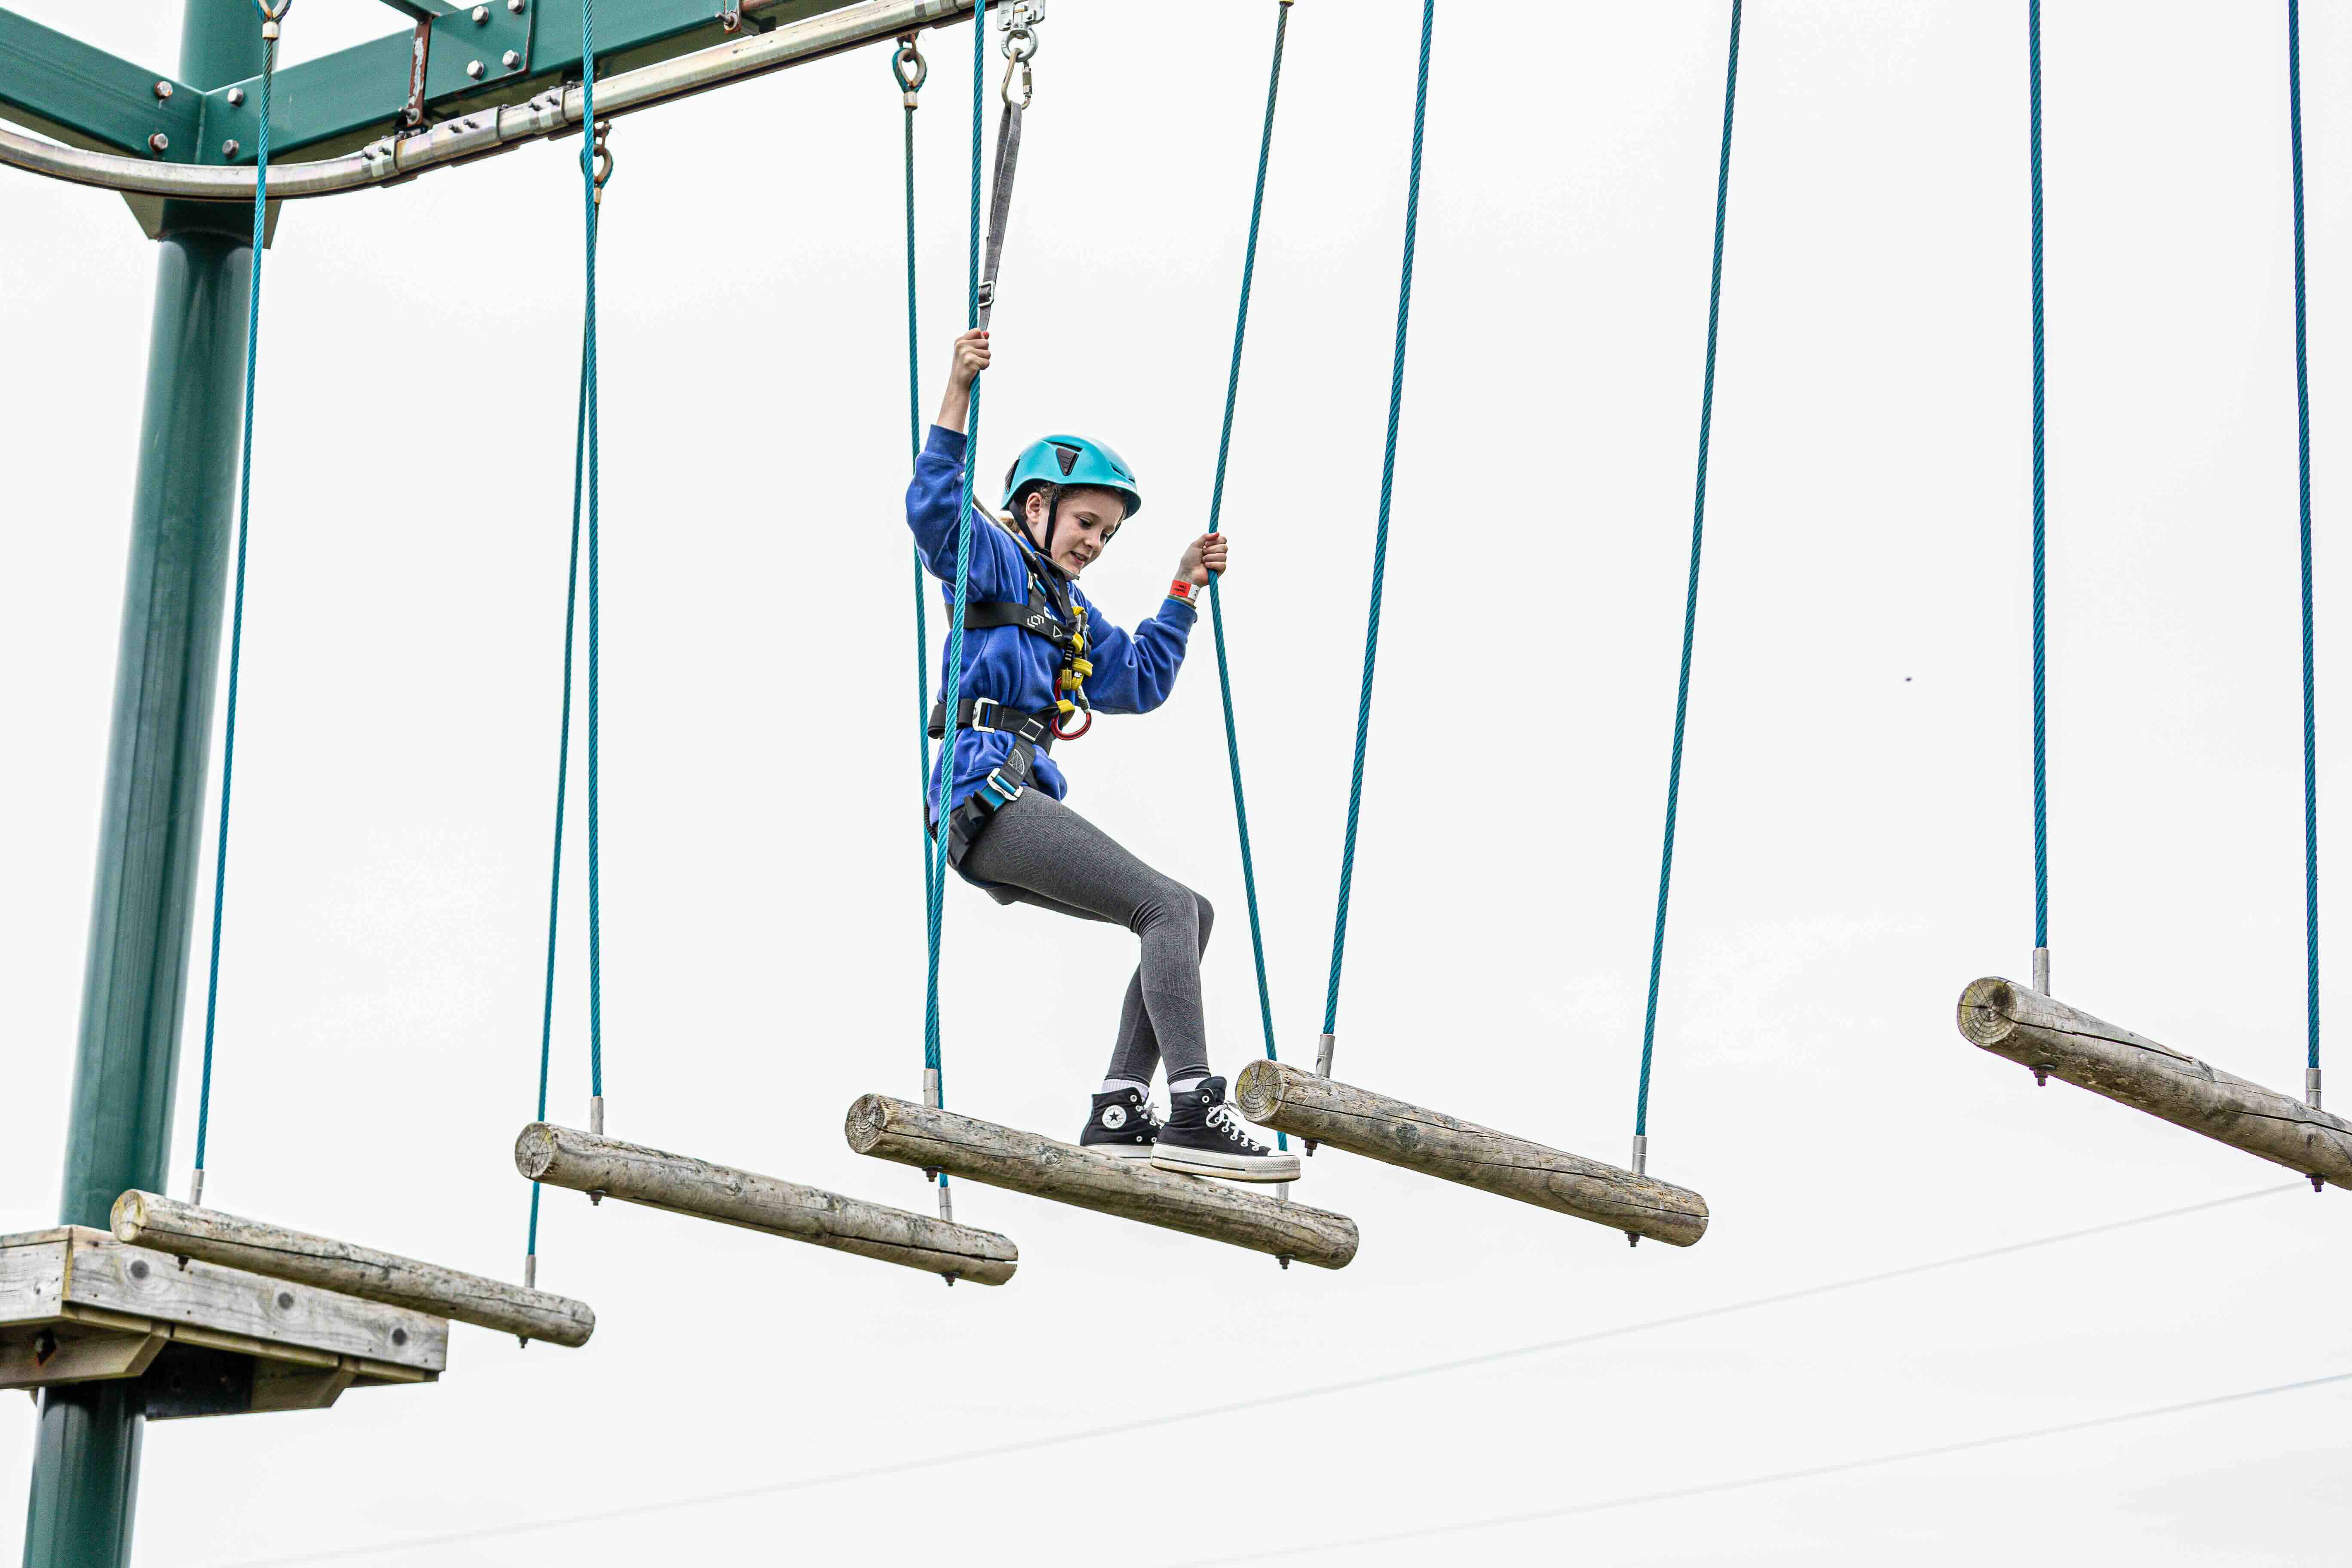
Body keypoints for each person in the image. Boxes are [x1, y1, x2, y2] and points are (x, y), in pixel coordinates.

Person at [906, 327, 1297, 1183]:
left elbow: (1141, 681)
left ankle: (1121, 1104)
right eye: (1086, 523)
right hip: (982, 792)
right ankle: (1193, 1105)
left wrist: (1183, 589)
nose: (1093, 544)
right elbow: (935, 509)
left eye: (1107, 535)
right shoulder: (994, 560)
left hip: (1013, 797)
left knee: (1189, 912)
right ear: (1036, 507)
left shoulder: (1071, 615)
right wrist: (956, 396)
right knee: (1163, 908)